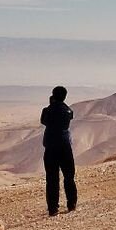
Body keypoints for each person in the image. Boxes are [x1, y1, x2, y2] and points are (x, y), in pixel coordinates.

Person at [41, 85, 77, 216]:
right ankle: (71, 203)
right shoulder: (68, 111)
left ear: (53, 96)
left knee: (52, 178)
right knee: (69, 176)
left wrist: (52, 104)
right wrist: (58, 103)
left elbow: (43, 120)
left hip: (50, 147)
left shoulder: (47, 110)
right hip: (65, 146)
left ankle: (53, 208)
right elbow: (69, 115)